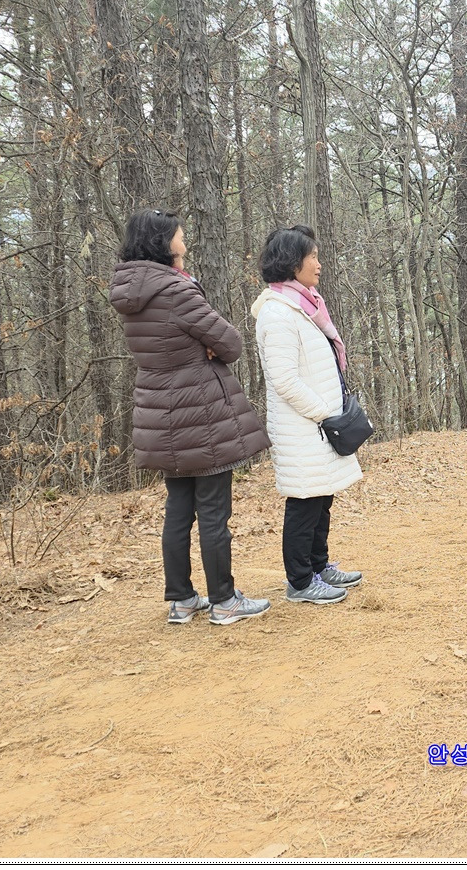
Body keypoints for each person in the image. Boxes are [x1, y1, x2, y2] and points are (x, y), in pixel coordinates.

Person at [109, 209, 272, 626]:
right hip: (200, 414)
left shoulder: (131, 292)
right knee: (214, 510)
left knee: (178, 510)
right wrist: (208, 348)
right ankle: (224, 601)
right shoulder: (176, 290)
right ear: (164, 242)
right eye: (179, 234)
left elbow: (168, 344)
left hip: (159, 414)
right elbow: (230, 343)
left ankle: (181, 600)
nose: (184, 239)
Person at [251, 225, 364, 605]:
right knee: (304, 502)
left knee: (321, 497)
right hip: (303, 426)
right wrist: (323, 413)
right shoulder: (277, 313)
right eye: (312, 257)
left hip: (318, 426)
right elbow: (283, 379)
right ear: (291, 262)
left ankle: (319, 566)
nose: (318, 264)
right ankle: (300, 582)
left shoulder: (303, 305)